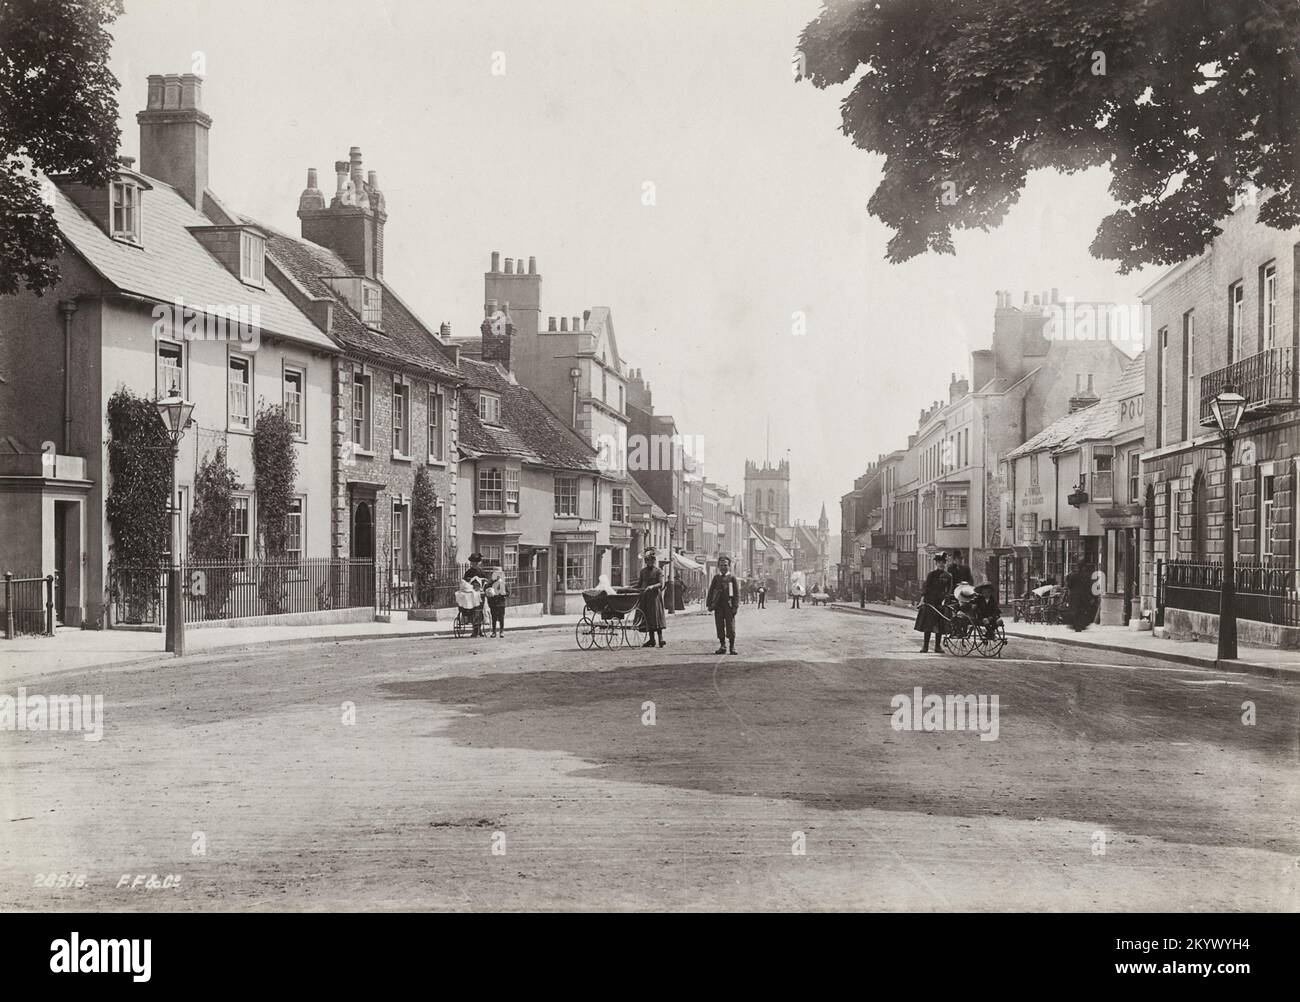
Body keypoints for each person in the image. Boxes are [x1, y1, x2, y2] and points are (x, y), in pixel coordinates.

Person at [914, 552, 952, 654]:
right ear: (936, 563)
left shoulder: (948, 576)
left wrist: (945, 599)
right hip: (930, 601)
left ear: (945, 564)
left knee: (939, 625)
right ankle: (925, 646)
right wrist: (923, 600)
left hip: (941, 603)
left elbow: (949, 590)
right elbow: (926, 588)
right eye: (939, 562)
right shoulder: (931, 575)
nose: (941, 564)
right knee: (928, 624)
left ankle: (937, 646)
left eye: (943, 562)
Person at [706, 555, 740, 655]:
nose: (723, 567)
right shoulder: (716, 578)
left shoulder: (732, 578)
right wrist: (709, 604)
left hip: (729, 606)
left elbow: (737, 594)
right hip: (718, 606)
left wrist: (735, 606)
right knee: (719, 625)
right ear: (718, 567)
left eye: (725, 565)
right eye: (721, 565)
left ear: (729, 566)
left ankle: (732, 647)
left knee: (730, 626)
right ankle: (722, 646)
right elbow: (711, 591)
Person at [637, 548, 667, 648]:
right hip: (645, 597)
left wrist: (651, 586)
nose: (650, 562)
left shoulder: (658, 571)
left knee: (656, 617)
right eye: (648, 560)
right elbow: (639, 584)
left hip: (655, 598)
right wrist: (630, 588)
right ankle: (651, 639)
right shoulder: (643, 572)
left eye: (652, 560)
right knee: (648, 617)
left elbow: (661, 584)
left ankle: (660, 638)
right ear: (646, 561)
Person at [486, 567, 507, 637]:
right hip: (493, 603)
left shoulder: (503, 583)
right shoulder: (491, 583)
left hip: (501, 603)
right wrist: (490, 593)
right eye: (496, 574)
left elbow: (508, 592)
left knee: (501, 617)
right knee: (494, 617)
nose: (498, 576)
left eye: (499, 574)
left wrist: (504, 593)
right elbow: (487, 591)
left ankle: (501, 631)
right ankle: (494, 632)